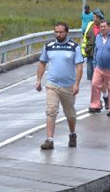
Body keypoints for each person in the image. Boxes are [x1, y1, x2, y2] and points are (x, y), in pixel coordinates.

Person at [35, 22, 84, 150]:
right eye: (56, 32)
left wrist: (77, 84)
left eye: (61, 32)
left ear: (67, 32)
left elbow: (79, 67)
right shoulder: (49, 46)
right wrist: (38, 80)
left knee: (70, 114)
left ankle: (72, 133)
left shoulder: (74, 47)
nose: (58, 34)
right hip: (52, 85)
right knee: (51, 111)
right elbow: (42, 63)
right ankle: (49, 140)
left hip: (68, 86)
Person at [81, 9, 104, 82]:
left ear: (100, 18)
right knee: (92, 78)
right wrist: (83, 52)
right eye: (94, 17)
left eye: (96, 17)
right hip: (90, 54)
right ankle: (94, 92)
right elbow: (85, 38)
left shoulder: (105, 26)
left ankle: (103, 92)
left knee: (101, 78)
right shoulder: (90, 25)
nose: (94, 19)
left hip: (101, 57)